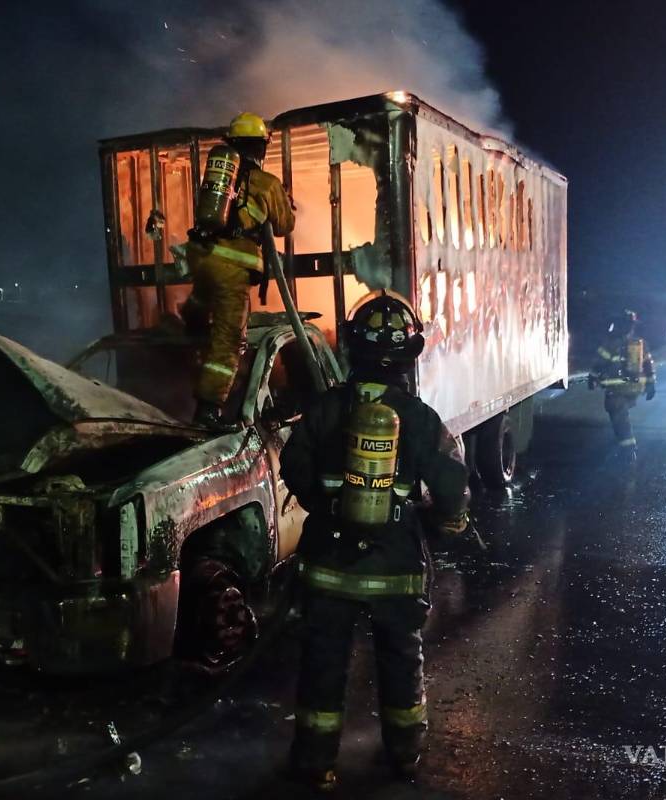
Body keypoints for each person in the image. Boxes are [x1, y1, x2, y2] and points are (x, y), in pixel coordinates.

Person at [280, 290, 471, 790]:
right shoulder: (420, 417)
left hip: (329, 565)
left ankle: (316, 764)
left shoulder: (324, 409)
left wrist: (326, 504)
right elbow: (452, 483)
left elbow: (293, 464)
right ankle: (404, 756)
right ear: (412, 352)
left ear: (350, 347)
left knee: (323, 663)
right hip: (396, 566)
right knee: (401, 659)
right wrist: (450, 521)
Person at [180, 112, 295, 428]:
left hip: (201, 256)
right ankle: (209, 409)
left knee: (204, 298)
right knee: (230, 338)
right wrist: (286, 201)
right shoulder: (266, 183)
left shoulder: (219, 176)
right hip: (230, 265)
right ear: (261, 147)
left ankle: (192, 316)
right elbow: (285, 225)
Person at [589, 310, 656, 460]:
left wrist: (592, 378)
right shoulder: (641, 344)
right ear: (633, 326)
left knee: (620, 418)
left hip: (616, 388)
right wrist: (651, 385)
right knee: (622, 415)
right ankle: (624, 445)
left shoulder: (610, 344)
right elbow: (648, 365)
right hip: (635, 387)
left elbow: (598, 364)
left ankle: (628, 450)